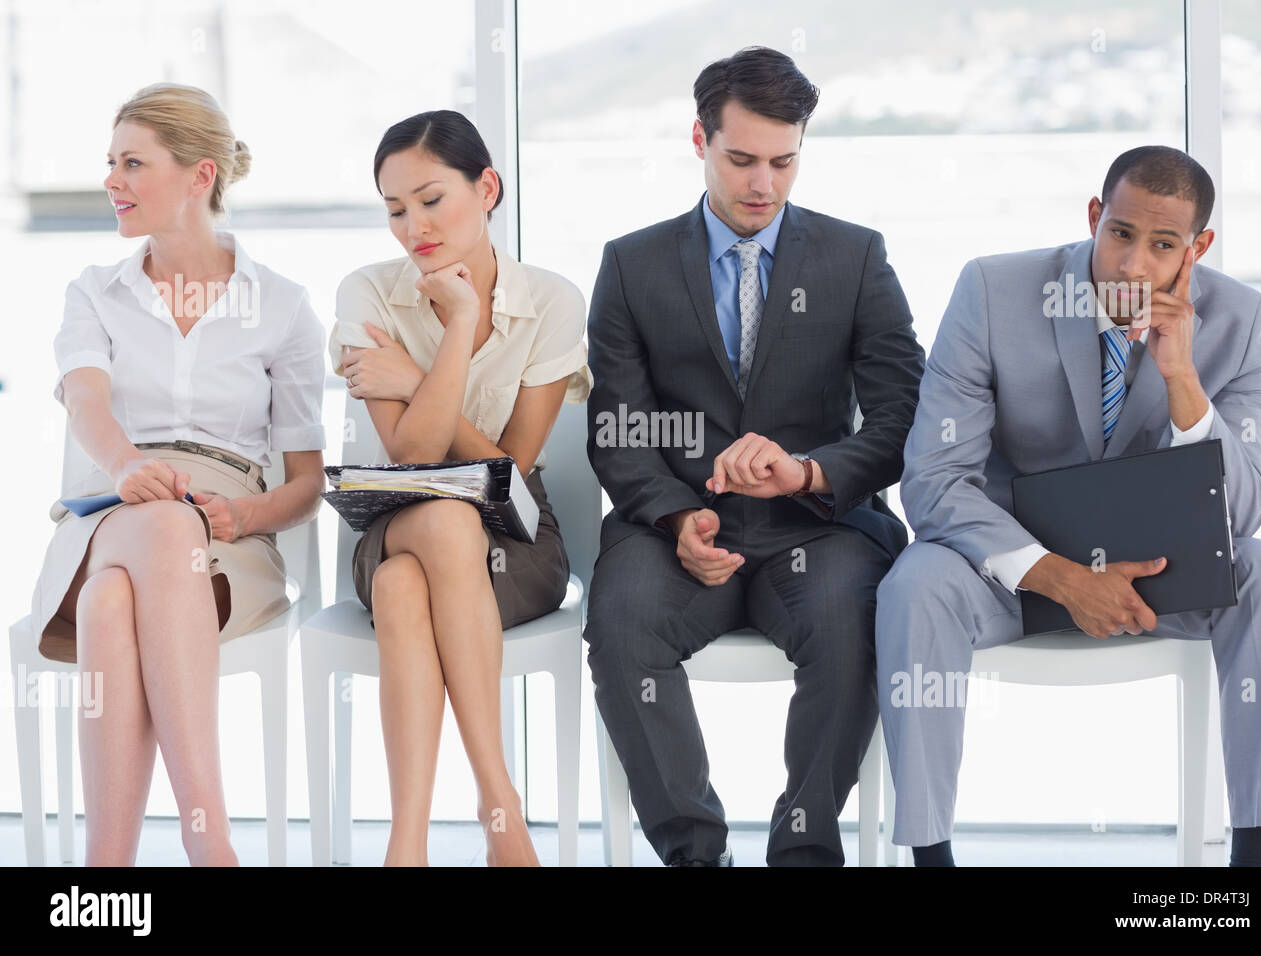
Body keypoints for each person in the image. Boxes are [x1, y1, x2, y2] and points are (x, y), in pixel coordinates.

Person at [877, 145, 1261, 867]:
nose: (1133, 264)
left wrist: (1182, 380)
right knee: (914, 584)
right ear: (1096, 217)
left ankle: (1252, 866)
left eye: (1163, 245)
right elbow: (934, 480)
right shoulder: (992, 291)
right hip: (1012, 580)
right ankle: (930, 857)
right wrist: (1063, 578)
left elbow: (1244, 515)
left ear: (1196, 249)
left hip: (1159, 576)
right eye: (1122, 233)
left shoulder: (1238, 318)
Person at [583, 46, 926, 867]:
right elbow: (616, 426)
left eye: (783, 161)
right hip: (675, 528)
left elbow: (904, 415)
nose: (762, 185)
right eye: (740, 160)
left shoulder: (855, 257)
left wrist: (811, 472)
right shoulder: (632, 265)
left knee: (854, 623)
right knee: (621, 624)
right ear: (699, 140)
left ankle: (803, 851)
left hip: (818, 527)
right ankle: (696, 855)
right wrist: (677, 513)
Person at [31, 83, 327, 866]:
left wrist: (248, 517)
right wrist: (128, 466)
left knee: (110, 604)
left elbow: (306, 481)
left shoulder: (284, 306)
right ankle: (213, 849)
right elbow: (86, 399)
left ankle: (104, 878)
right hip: (111, 509)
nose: (112, 180)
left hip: (229, 537)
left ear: (200, 176)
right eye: (110, 162)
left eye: (134, 163)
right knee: (155, 529)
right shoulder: (94, 292)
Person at [327, 110, 591, 867]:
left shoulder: (552, 300)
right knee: (438, 525)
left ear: (488, 187)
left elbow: (508, 471)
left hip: (517, 534)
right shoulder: (368, 294)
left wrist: (417, 374)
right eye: (395, 210)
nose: (414, 227)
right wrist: (455, 329)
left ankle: (405, 847)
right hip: (395, 522)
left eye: (432, 199)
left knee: (414, 581)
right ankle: (499, 805)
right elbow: (410, 452)